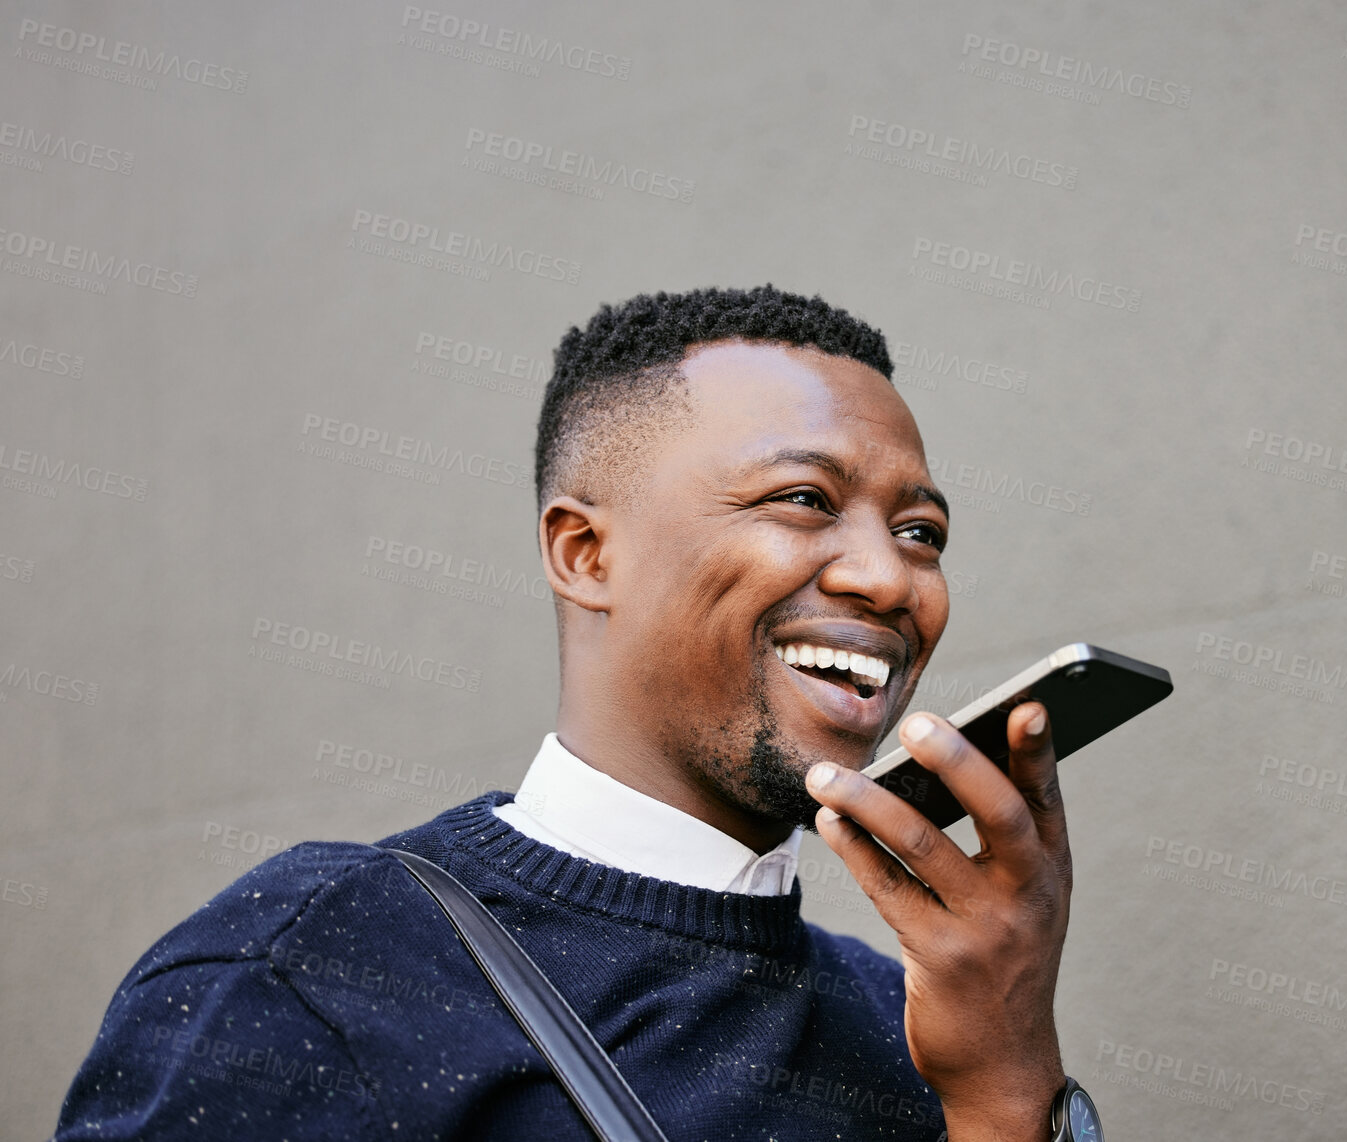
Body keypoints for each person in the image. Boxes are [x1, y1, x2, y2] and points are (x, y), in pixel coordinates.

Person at [55, 286, 1087, 1141]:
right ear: (586, 554)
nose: (886, 576)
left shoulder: (910, 1023)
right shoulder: (315, 966)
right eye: (805, 500)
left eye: (920, 529)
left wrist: (1004, 1087)